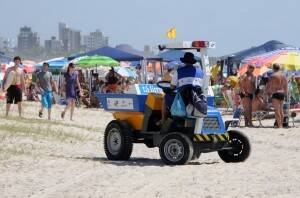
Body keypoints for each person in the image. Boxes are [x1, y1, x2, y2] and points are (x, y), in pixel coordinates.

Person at [160, 52, 204, 123]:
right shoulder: (201, 72)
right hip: (197, 98)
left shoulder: (179, 71)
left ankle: (163, 119)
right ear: (192, 62)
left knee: (165, 97)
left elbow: (172, 87)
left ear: (184, 61)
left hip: (183, 100)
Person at [266, 64, 288, 128]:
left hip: (275, 93)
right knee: (281, 110)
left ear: (273, 68)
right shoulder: (283, 76)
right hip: (282, 93)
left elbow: (269, 86)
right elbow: (285, 86)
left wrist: (267, 93)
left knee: (276, 110)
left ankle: (280, 125)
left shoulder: (273, 76)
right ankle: (281, 124)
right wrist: (286, 95)